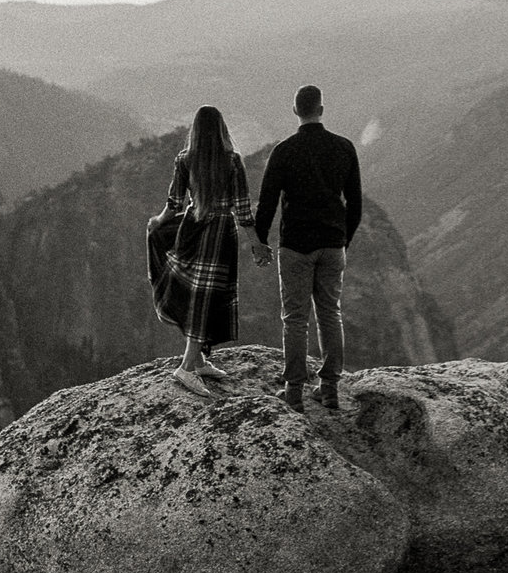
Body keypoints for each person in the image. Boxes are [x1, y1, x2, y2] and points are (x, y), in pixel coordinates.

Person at [148, 105, 273, 398]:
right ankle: (187, 368)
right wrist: (256, 243)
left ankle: (200, 360)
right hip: (219, 234)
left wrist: (158, 222)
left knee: (196, 294)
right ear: (221, 129)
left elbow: (175, 203)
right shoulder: (232, 161)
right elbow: (242, 209)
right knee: (208, 297)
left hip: (191, 229)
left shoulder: (185, 159)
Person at [254, 82, 364, 413]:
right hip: (332, 244)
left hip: (296, 246)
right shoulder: (344, 148)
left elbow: (268, 202)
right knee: (330, 313)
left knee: (295, 318)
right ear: (321, 109)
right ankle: (329, 389)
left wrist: (260, 240)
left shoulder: (284, 151)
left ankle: (294, 392)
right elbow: (355, 202)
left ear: (295, 111)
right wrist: (344, 239)